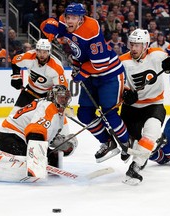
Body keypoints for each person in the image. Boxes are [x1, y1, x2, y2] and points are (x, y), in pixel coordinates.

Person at [40, 2, 130, 163]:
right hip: (91, 75)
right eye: (68, 16)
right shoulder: (66, 22)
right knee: (85, 114)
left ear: (81, 19)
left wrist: (81, 72)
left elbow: (101, 63)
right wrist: (49, 27)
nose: (69, 20)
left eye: (74, 17)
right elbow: (49, 25)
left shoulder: (90, 31)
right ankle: (107, 142)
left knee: (109, 113)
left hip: (109, 75)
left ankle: (126, 143)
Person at [118, 29, 170, 185]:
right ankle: (129, 146)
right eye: (132, 44)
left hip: (153, 105)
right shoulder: (122, 61)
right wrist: (124, 93)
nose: (134, 48)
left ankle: (135, 166)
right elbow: (116, 84)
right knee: (129, 142)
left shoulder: (157, 54)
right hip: (131, 108)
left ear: (145, 45)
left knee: (151, 134)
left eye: (137, 45)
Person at [0, 85, 78, 182]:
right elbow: (34, 132)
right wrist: (36, 160)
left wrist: (63, 145)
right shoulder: (48, 107)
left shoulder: (57, 111)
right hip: (10, 136)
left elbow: (47, 134)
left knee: (52, 158)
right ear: (53, 97)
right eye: (61, 98)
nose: (64, 101)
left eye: (66, 98)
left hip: (20, 136)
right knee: (26, 165)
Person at [10, 38, 68, 115]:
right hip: (29, 91)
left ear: (49, 52)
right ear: (36, 51)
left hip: (47, 96)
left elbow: (62, 88)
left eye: (44, 52)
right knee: (14, 115)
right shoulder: (29, 57)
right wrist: (16, 77)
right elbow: (15, 61)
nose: (42, 55)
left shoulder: (56, 67)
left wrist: (59, 102)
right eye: (39, 51)